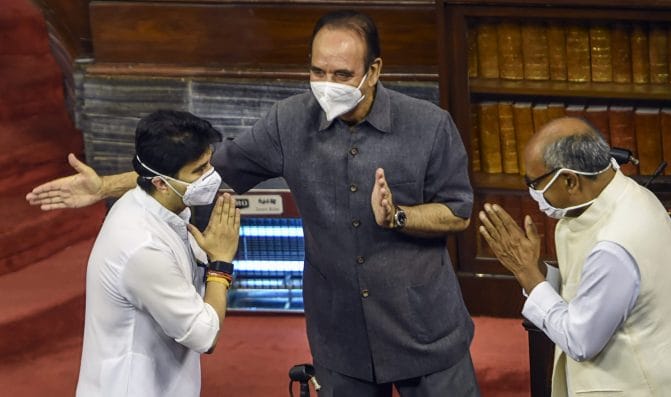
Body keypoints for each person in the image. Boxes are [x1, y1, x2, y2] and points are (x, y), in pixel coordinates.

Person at [27, 10, 480, 396]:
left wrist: (399, 216)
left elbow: (458, 211)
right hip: (342, 336)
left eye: (341, 75)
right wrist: (105, 186)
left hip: (424, 329)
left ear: (375, 71)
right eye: (317, 71)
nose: (326, 85)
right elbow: (209, 169)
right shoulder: (288, 122)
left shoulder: (430, 126)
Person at [478, 117, 671, 396]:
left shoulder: (615, 243)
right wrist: (538, 272)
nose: (533, 193)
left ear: (570, 180)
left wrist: (527, 276)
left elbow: (580, 340)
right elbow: (590, 290)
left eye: (534, 183)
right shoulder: (632, 195)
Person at [74, 110, 241, 396]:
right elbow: (205, 336)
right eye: (199, 171)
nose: (211, 176)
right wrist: (221, 265)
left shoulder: (154, 206)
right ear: (161, 183)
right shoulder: (142, 246)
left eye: (209, 163)